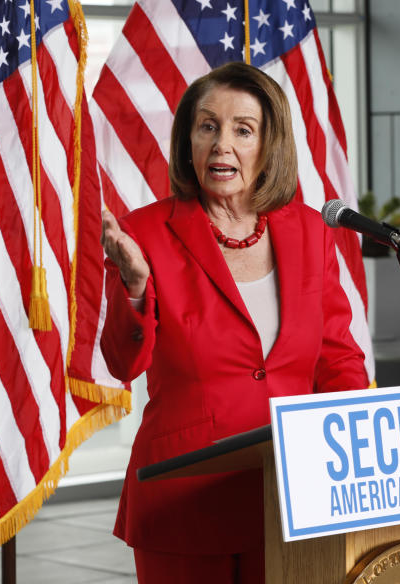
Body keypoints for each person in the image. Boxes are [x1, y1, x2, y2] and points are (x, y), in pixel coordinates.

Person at [99, 61, 369, 583]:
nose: (222, 144)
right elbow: (122, 362)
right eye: (208, 127)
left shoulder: (311, 231)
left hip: (294, 495)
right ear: (189, 140)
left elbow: (337, 357)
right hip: (184, 500)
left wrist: (354, 450)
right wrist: (134, 289)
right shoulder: (146, 233)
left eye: (243, 130)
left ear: (271, 145)